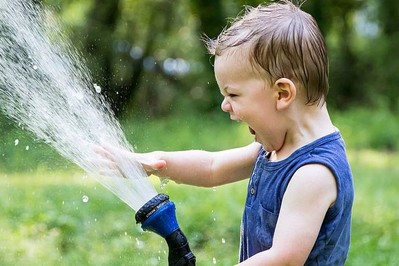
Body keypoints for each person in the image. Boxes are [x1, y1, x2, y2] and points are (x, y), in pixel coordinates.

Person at [98, 1, 354, 265]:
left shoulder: (313, 173)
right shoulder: (275, 149)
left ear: (282, 93)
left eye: (233, 94)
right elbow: (212, 167)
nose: (224, 105)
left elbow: (284, 259)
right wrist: (153, 163)